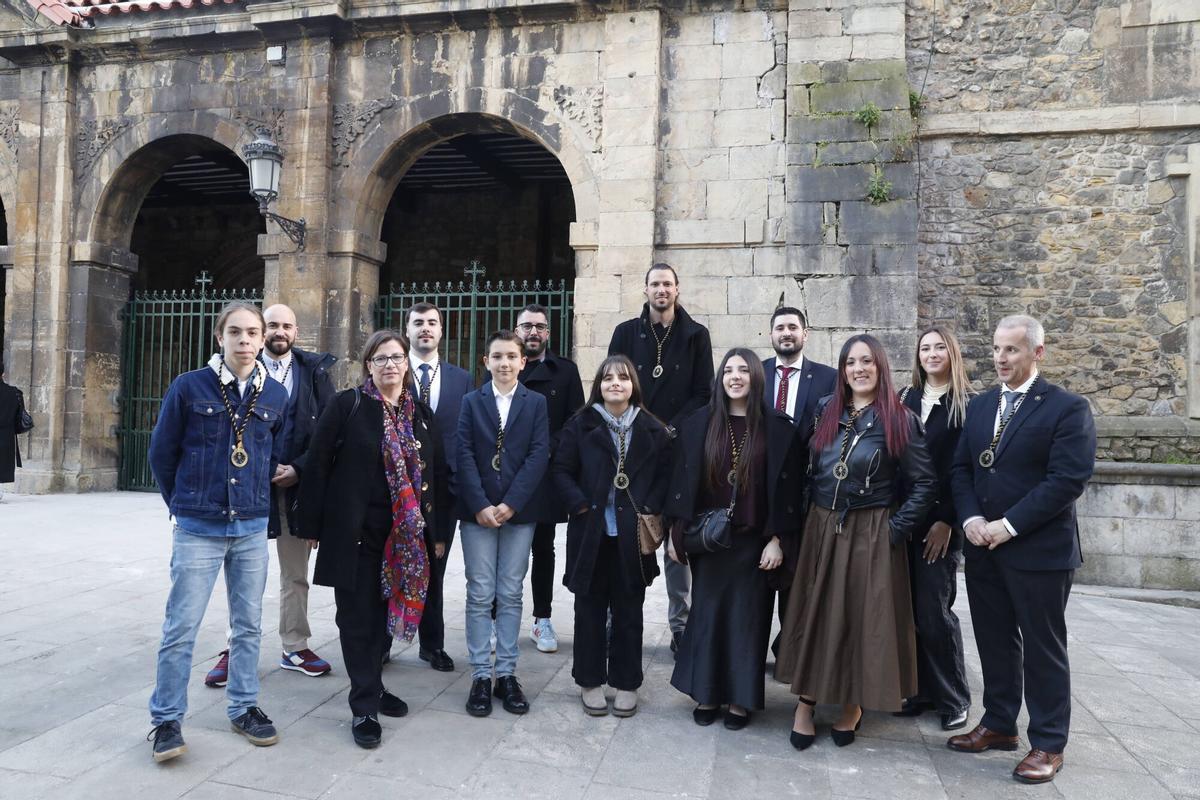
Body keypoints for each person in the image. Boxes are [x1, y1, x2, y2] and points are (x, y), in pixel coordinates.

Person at [947, 315, 1096, 785]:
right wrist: (971, 519)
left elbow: (1067, 480)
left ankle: (1049, 743)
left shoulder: (1067, 408)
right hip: (983, 548)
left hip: (1038, 552)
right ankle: (998, 723)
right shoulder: (980, 405)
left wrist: (1008, 526)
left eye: (1011, 350)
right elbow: (962, 470)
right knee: (994, 640)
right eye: (996, 349)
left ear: (1037, 353)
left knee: (1042, 647)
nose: (1000, 359)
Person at [776, 333, 937, 750]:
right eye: (850, 362)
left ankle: (852, 703)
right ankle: (805, 703)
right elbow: (808, 469)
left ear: (880, 367)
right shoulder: (827, 409)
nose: (858, 369)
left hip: (871, 530)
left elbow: (923, 484)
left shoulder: (900, 419)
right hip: (821, 526)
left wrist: (893, 530)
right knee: (816, 613)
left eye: (866, 361)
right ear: (843, 370)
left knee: (860, 619)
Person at [146, 302, 289, 763]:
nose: (245, 341)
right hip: (198, 526)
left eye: (253, 332)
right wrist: (184, 504)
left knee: (247, 625)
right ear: (219, 337)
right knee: (181, 626)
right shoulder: (190, 387)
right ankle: (166, 719)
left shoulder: (275, 397)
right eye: (236, 332)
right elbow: (161, 453)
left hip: (250, 524)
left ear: (263, 339)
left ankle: (243, 706)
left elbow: (270, 456)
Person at [298, 330, 449, 749]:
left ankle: (374, 685)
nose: (390, 366)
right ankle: (364, 704)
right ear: (368, 365)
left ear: (407, 363)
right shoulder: (347, 406)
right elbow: (318, 466)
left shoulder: (420, 414)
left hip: (404, 541)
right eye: (380, 359)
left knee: (385, 618)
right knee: (358, 620)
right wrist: (310, 527)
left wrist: (437, 533)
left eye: (397, 358)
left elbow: (434, 475)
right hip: (356, 535)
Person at [665, 349, 804, 730]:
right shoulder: (699, 424)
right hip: (710, 542)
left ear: (757, 377)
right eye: (728, 370)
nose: (735, 376)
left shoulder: (778, 429)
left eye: (744, 370)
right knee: (708, 618)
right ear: (720, 378)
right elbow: (681, 482)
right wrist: (675, 534)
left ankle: (741, 701)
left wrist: (778, 539)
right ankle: (708, 693)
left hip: (754, 544)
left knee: (747, 623)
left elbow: (788, 492)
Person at [203, 304, 337, 689]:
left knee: (295, 575)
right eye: (273, 325)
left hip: (297, 487)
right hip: (248, 489)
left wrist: (300, 469)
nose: (280, 331)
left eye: (287, 325)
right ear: (263, 331)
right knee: (242, 575)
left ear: (296, 331)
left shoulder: (316, 374)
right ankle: (236, 648)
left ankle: (295, 646)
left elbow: (329, 434)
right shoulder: (238, 371)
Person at [552, 355, 672, 718]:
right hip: (591, 532)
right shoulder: (581, 424)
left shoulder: (653, 429)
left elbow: (665, 477)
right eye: (607, 378)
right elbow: (560, 469)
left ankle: (626, 682)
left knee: (628, 610)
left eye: (622, 378)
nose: (615, 384)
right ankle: (589, 680)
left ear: (634, 384)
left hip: (631, 537)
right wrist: (581, 505)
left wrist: (648, 506)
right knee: (588, 608)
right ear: (598, 386)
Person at [607, 263, 713, 657]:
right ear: (646, 289)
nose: (661, 290)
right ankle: (616, 619)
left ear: (677, 289)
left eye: (667, 284)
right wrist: (644, 425)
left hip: (678, 449)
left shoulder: (696, 336)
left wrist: (671, 429)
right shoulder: (624, 333)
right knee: (624, 533)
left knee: (676, 540)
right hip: (632, 449)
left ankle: (681, 625)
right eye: (655, 284)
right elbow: (613, 383)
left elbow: (704, 394)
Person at [456, 330, 550, 717]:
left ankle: (507, 674)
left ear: (522, 361)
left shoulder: (536, 403)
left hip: (518, 512)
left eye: (511, 356)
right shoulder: (471, 401)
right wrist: (480, 504)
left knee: (510, 592)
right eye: (497, 357)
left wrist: (510, 504)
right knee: (480, 592)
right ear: (486, 362)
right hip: (477, 513)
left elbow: (539, 452)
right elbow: (461, 451)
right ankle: (480, 674)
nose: (505, 363)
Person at [894, 326, 972, 731]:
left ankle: (953, 696)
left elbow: (963, 472)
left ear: (952, 353)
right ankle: (919, 690)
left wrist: (948, 521)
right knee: (907, 611)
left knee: (933, 611)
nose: (932, 353)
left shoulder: (965, 407)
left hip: (937, 525)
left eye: (940, 346)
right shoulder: (905, 399)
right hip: (902, 520)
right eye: (925, 347)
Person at [761, 306, 837, 657]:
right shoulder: (755, 374)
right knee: (760, 580)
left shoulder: (828, 378)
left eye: (793, 327)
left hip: (809, 494)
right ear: (771, 335)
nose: (786, 333)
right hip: (762, 494)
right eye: (780, 328)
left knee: (798, 582)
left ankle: (789, 652)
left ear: (805, 334)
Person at [406, 302, 473, 672]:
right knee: (394, 564)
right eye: (418, 323)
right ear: (408, 330)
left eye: (432, 323)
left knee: (436, 566)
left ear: (441, 330)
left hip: (444, 489)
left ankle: (432, 644)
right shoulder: (395, 370)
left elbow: (465, 433)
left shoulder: (461, 378)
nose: (425, 329)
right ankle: (383, 641)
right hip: (401, 485)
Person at [515, 303, 584, 654]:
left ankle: (542, 618)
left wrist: (545, 449)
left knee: (543, 549)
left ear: (548, 333)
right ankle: (500, 618)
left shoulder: (565, 372)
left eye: (540, 326)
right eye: (526, 326)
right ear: (516, 331)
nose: (533, 332)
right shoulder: (505, 365)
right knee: (507, 552)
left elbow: (576, 421)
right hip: (509, 475)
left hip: (544, 473)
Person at [0, 361, 29, 501]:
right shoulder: (14, 393)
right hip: (6, 435)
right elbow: (20, 415)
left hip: (6, 433)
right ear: (3, 374)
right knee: (2, 462)